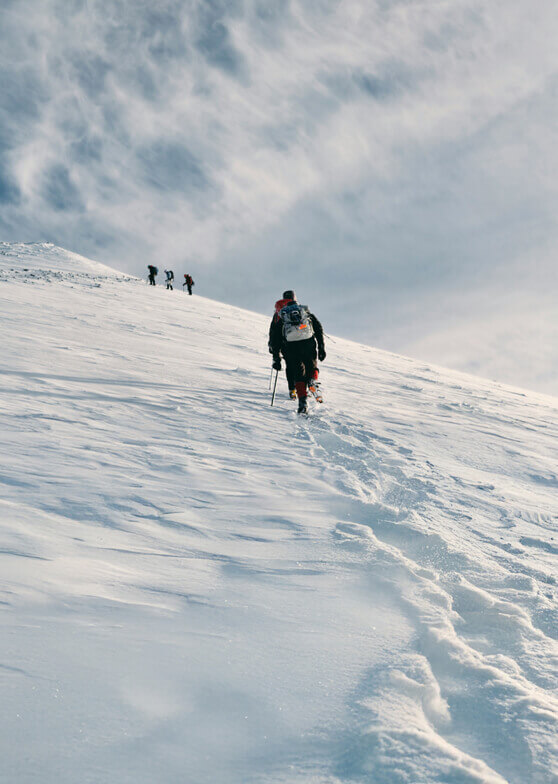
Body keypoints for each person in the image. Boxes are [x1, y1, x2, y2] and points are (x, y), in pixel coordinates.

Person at [268, 290, 326, 414]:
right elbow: (318, 327)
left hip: (290, 347)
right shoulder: (304, 312)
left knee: (298, 374)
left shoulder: (281, 315)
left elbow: (275, 337)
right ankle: (312, 380)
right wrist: (321, 347)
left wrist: (276, 357)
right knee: (312, 366)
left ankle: (302, 403)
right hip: (308, 343)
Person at [268, 294, 297, 399]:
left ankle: (292, 389)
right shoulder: (297, 310)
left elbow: (273, 332)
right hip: (299, 342)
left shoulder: (278, 312)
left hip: (285, 344)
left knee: (290, 366)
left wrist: (274, 353)